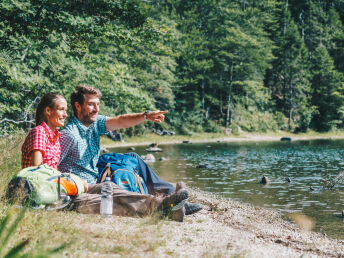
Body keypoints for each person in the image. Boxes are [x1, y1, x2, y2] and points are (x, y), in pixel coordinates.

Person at [20, 92, 188, 221]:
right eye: (61, 110)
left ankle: (166, 202)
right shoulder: (41, 132)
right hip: (47, 192)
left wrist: (145, 115)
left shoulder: (55, 136)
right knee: (103, 201)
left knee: (110, 188)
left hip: (62, 186)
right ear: (48, 111)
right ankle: (163, 207)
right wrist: (72, 181)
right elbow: (38, 172)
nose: (65, 114)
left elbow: (120, 120)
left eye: (65, 110)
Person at [58, 84, 202, 215]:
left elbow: (120, 120)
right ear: (78, 106)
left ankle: (172, 195)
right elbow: (51, 168)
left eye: (98, 104)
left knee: (132, 157)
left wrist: (145, 116)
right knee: (115, 190)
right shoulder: (69, 135)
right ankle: (166, 204)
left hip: (95, 171)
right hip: (84, 184)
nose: (96, 109)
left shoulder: (94, 124)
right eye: (91, 104)